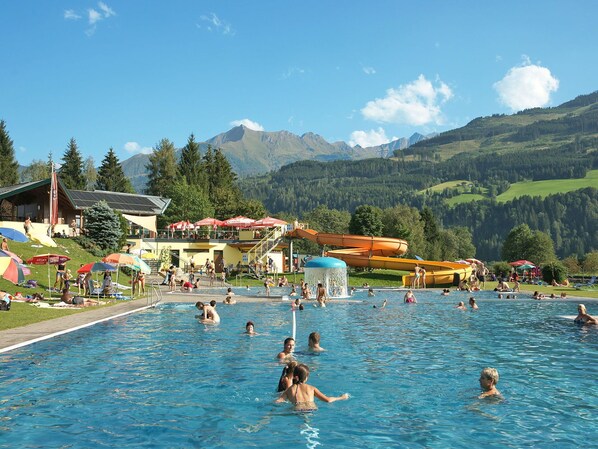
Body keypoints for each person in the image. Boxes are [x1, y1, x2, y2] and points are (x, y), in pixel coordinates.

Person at [275, 363, 349, 411]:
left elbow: (277, 402)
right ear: (306, 377)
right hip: (312, 409)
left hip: (297, 410)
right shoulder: (312, 388)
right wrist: (341, 397)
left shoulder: (289, 390)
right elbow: (328, 400)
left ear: (295, 376)